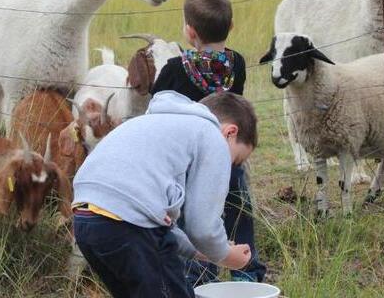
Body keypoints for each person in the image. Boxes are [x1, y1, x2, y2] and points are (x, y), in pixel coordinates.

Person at [72, 90, 258, 298]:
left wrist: (202, 251)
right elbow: (203, 228)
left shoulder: (156, 128)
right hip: (125, 223)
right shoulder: (211, 134)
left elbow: (162, 226)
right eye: (235, 160)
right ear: (230, 133)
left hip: (86, 219)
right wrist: (224, 254)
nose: (229, 167)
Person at [150, 0, 266, 285]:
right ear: (231, 27)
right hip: (230, 154)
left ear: (190, 32)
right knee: (237, 212)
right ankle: (246, 273)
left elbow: (158, 104)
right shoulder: (237, 63)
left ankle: (200, 278)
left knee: (194, 218)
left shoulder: (176, 69)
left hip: (190, 163)